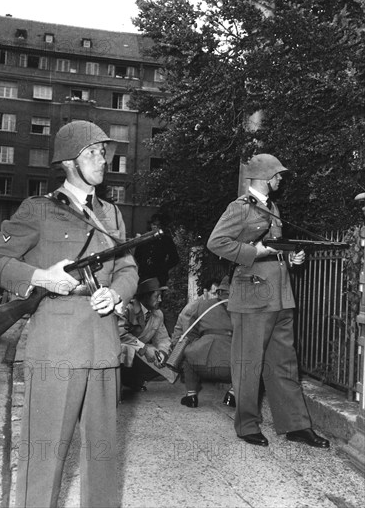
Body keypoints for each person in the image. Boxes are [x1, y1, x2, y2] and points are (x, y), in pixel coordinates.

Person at [0, 120, 138, 507]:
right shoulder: (38, 210)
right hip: (56, 348)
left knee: (101, 457)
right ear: (70, 162)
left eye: (104, 152)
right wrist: (41, 277)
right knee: (44, 455)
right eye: (93, 153)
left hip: (102, 344)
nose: (103, 160)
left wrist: (116, 295)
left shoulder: (111, 214)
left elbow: (128, 268)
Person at [207, 153, 330, 449]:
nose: (280, 180)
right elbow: (216, 242)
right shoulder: (239, 208)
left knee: (284, 364)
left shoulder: (273, 207)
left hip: (279, 295)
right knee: (248, 364)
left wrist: (290, 256)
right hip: (252, 296)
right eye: (277, 175)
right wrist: (255, 253)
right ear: (264, 176)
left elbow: (273, 247)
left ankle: (296, 425)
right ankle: (247, 424)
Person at [171, 276, 236, 408]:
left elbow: (190, 334)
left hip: (201, 364)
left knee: (188, 354)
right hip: (231, 367)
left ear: (219, 292)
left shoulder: (202, 305)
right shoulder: (243, 310)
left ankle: (191, 396)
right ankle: (232, 395)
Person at [119, 277, 172, 391]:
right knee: (126, 350)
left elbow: (163, 338)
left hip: (138, 353)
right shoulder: (127, 308)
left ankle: (134, 380)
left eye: (161, 296)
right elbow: (120, 335)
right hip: (121, 350)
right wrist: (144, 348)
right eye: (157, 296)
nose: (160, 300)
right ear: (145, 296)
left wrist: (162, 352)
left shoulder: (158, 314)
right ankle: (122, 381)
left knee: (169, 359)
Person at [134, 213, 179, 285]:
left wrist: (163, 268)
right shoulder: (144, 238)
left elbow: (174, 258)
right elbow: (137, 255)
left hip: (159, 276)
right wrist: (143, 265)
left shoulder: (166, 240)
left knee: (157, 294)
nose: (155, 227)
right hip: (144, 275)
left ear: (161, 226)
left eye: (158, 225)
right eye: (153, 224)